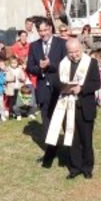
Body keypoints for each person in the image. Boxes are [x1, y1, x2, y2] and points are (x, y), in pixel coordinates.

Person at [46, 38, 101, 179]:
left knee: (86, 140)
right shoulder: (62, 63)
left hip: (84, 107)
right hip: (66, 106)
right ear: (67, 51)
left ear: (81, 48)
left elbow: (97, 83)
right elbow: (55, 82)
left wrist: (81, 88)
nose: (74, 55)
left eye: (76, 51)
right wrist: (64, 87)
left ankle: (87, 168)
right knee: (71, 139)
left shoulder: (91, 62)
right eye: (71, 52)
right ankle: (75, 168)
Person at [26, 17, 67, 167]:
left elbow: (66, 65)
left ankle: (72, 149)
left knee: (65, 119)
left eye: (45, 30)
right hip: (43, 89)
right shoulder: (34, 46)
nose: (43, 33)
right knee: (47, 120)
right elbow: (30, 67)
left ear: (50, 28)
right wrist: (40, 68)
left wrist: (50, 65)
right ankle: (50, 151)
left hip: (60, 88)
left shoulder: (62, 43)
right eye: (40, 31)